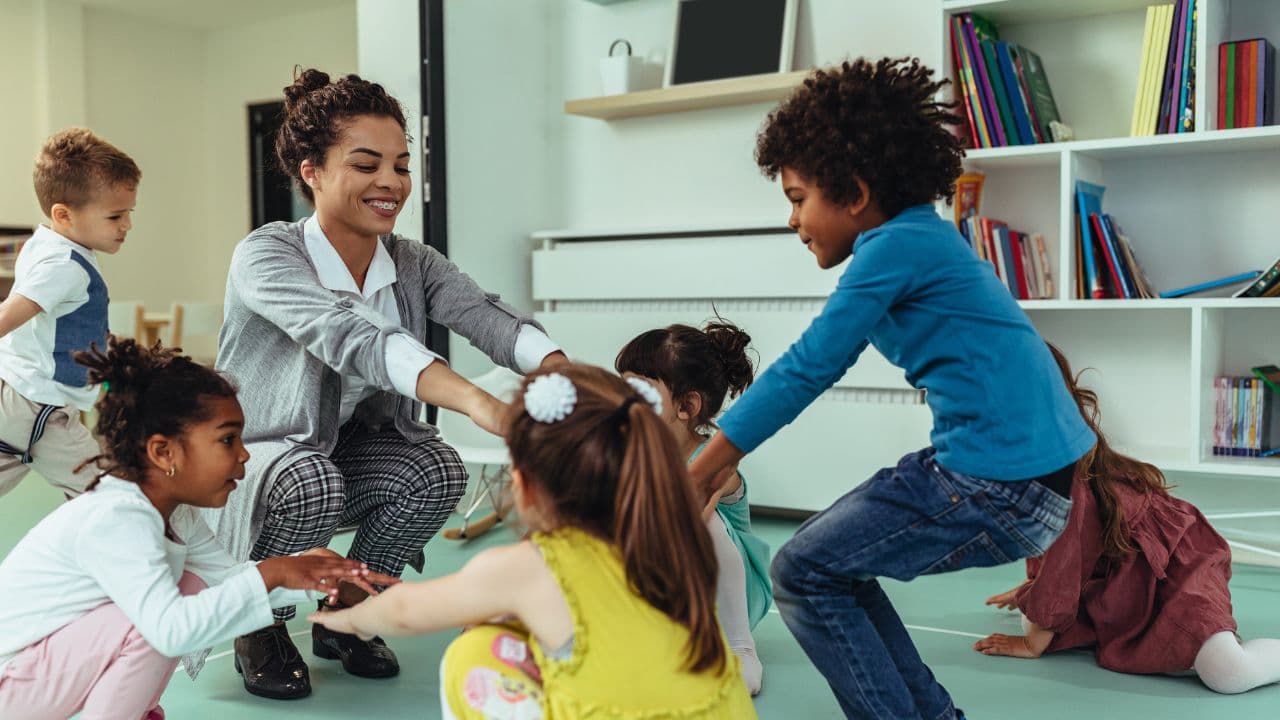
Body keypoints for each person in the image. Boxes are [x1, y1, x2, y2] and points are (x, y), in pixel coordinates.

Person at [686, 57, 1096, 719]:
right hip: (1020, 476)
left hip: (1000, 482)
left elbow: (808, 367)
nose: (791, 219)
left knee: (802, 571)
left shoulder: (893, 247)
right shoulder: (919, 238)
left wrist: (700, 470)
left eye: (798, 198)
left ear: (853, 192)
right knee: (828, 565)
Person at [211, 68, 566, 699]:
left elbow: (482, 313)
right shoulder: (266, 255)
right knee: (310, 479)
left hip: (340, 453)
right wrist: (477, 401)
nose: (391, 182)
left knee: (437, 470)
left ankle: (349, 611)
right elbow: (349, 334)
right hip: (260, 458)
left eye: (401, 166)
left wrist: (560, 368)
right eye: (366, 164)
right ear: (312, 171)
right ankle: (258, 623)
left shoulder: (411, 260)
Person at [311, 363, 758, 719]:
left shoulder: (525, 567)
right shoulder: (666, 535)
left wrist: (351, 620)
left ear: (523, 486)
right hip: (722, 708)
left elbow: (406, 611)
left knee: (473, 655)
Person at [0, 338, 395, 720]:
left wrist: (312, 579)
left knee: (192, 585)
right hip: (10, 686)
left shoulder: (173, 512)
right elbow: (169, 631)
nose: (244, 454)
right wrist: (272, 572)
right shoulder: (118, 517)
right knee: (154, 622)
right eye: (227, 439)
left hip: (36, 678)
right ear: (163, 452)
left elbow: (225, 581)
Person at [974, 343, 1280, 696]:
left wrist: (1032, 642)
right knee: (1039, 617)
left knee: (1227, 673)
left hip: (1174, 566)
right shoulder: (1023, 458)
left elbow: (1067, 552)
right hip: (1116, 577)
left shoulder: (1061, 464)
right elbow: (1058, 542)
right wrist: (1036, 590)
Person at [615, 320, 771, 694]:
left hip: (729, 594)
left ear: (687, 405)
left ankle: (741, 648)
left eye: (639, 391)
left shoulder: (714, 458)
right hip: (674, 594)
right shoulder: (633, 452)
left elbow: (680, 523)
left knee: (705, 521)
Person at [0, 129, 139, 500]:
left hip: (20, 395)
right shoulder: (65, 265)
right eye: (115, 216)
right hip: (39, 407)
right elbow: (8, 316)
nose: (127, 225)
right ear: (63, 214)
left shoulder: (44, 243)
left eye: (129, 213)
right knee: (106, 495)